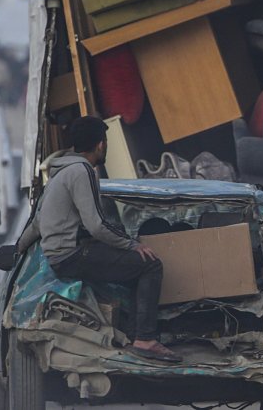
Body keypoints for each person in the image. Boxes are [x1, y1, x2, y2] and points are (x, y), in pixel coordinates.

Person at [36, 116, 180, 364]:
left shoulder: (59, 173)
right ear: (100, 145)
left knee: (134, 265)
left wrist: (16, 249)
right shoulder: (82, 171)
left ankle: (134, 336)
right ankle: (144, 338)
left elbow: (37, 222)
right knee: (150, 264)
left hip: (59, 255)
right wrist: (132, 244)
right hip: (71, 255)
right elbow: (96, 225)